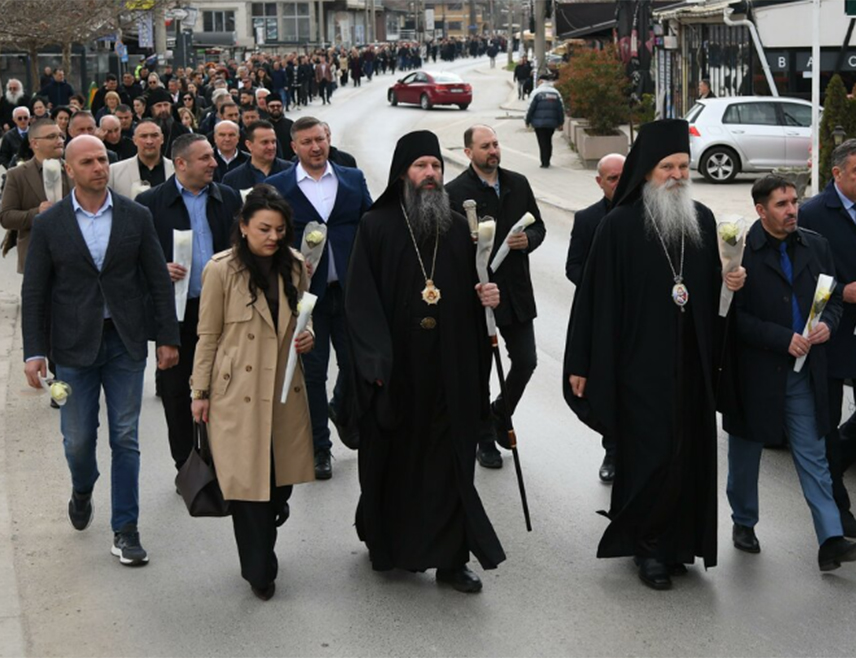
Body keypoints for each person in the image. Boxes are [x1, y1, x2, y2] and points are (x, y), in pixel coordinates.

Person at [563, 119, 746, 591]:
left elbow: (705, 295)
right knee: (652, 456)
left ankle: (680, 544)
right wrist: (581, 362)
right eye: (667, 166)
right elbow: (592, 302)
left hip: (691, 364)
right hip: (638, 367)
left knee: (690, 452)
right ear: (645, 171)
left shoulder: (701, 220)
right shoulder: (618, 226)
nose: (678, 175)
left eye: (684, 166)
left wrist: (729, 285)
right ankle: (648, 549)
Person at [346, 130, 506, 592]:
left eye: (435, 166)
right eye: (421, 167)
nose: (431, 174)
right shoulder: (375, 228)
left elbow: (478, 293)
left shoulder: (458, 228)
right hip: (396, 373)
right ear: (403, 175)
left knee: (451, 466)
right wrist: (374, 362)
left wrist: (487, 297)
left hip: (450, 370)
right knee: (397, 464)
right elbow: (361, 302)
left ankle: (453, 560)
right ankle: (392, 545)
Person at [21, 135, 179, 566]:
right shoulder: (50, 225)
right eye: (87, 161)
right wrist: (34, 350)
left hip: (125, 342)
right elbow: (34, 292)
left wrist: (167, 337)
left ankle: (125, 530)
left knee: (126, 436)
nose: (99, 167)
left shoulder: (136, 215)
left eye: (102, 160)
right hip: (72, 349)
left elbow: (156, 280)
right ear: (69, 169)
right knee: (78, 440)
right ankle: (82, 486)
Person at [722, 174, 856, 571]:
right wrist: (782, 338)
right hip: (755, 373)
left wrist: (829, 324)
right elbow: (734, 320)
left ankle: (830, 538)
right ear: (761, 210)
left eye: (794, 202)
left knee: (813, 454)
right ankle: (744, 521)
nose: (792, 210)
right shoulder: (739, 253)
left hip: (803, 371)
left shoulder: (816, 245)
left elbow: (830, 298)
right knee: (746, 453)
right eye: (781, 204)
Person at [190, 184, 315, 601]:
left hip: (282, 392)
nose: (273, 237)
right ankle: (259, 572)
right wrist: (199, 391)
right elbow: (207, 335)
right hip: (237, 394)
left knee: (278, 484)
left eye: (280, 229)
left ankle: (272, 516)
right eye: (264, 228)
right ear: (243, 227)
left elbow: (302, 321)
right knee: (247, 489)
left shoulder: (296, 266)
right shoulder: (220, 270)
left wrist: (308, 337)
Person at [266, 116, 372, 480]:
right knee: (312, 373)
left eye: (321, 139)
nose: (315, 147)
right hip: (304, 298)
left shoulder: (352, 179)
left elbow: (370, 227)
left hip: (349, 291)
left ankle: (341, 410)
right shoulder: (277, 187)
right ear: (293, 147)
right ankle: (319, 448)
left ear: (329, 140)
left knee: (357, 364)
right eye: (307, 141)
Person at [136, 133, 242, 472]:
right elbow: (130, 260)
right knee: (178, 393)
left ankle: (221, 458)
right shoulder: (151, 203)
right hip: (175, 314)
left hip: (223, 312)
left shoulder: (226, 197)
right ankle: (187, 464)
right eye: (205, 158)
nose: (214, 163)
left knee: (224, 387)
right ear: (180, 164)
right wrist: (156, 268)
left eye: (213, 156)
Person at [446, 124, 546, 469]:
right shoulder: (455, 192)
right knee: (479, 372)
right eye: (485, 146)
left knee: (527, 359)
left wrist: (529, 239)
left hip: (515, 291)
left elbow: (540, 227)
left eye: (496, 144)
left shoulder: (518, 183)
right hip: (477, 295)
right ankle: (484, 439)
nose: (493, 151)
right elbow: (447, 250)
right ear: (468, 153)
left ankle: (500, 413)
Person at [798, 138, 856, 537]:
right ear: (836, 174)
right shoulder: (813, 214)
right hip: (833, 334)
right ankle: (839, 510)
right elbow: (803, 273)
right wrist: (842, 291)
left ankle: (841, 450)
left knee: (841, 433)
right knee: (827, 420)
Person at [565, 153, 626, 482]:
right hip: (602, 320)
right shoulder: (588, 219)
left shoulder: (647, 214)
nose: (618, 183)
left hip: (638, 318)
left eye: (623, 176)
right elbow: (573, 266)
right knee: (608, 386)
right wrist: (600, 289)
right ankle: (613, 451)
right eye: (612, 178)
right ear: (599, 182)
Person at [0, 118, 70, 274]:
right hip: (36, 260)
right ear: (34, 144)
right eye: (52, 137)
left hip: (73, 258)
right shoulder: (17, 175)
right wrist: (37, 212)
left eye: (60, 136)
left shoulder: (73, 170)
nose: (59, 141)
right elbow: (6, 217)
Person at [108, 120, 174, 198]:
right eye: (143, 136)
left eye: (154, 135)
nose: (149, 141)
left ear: (162, 139)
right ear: (134, 140)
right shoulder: (114, 172)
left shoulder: (176, 170)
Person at [222, 120, 291, 193]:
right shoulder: (232, 179)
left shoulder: (291, 172)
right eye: (265, 142)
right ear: (249, 145)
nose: (271, 147)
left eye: (273, 142)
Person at [524, 76, 564, 168]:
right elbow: (560, 109)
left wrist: (527, 120)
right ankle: (547, 159)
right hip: (552, 123)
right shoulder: (556, 93)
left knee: (542, 142)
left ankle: (544, 162)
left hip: (539, 123)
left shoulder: (536, 93)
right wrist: (561, 122)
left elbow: (530, 108)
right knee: (548, 140)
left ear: (541, 81)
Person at [147, 87, 190, 158]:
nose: (163, 109)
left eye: (166, 105)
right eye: (159, 106)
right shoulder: (144, 131)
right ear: (152, 110)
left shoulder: (182, 131)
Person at [264, 96, 295, 162]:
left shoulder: (290, 124)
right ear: (267, 108)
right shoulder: (263, 125)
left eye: (278, 106)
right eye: (272, 106)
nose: (275, 108)